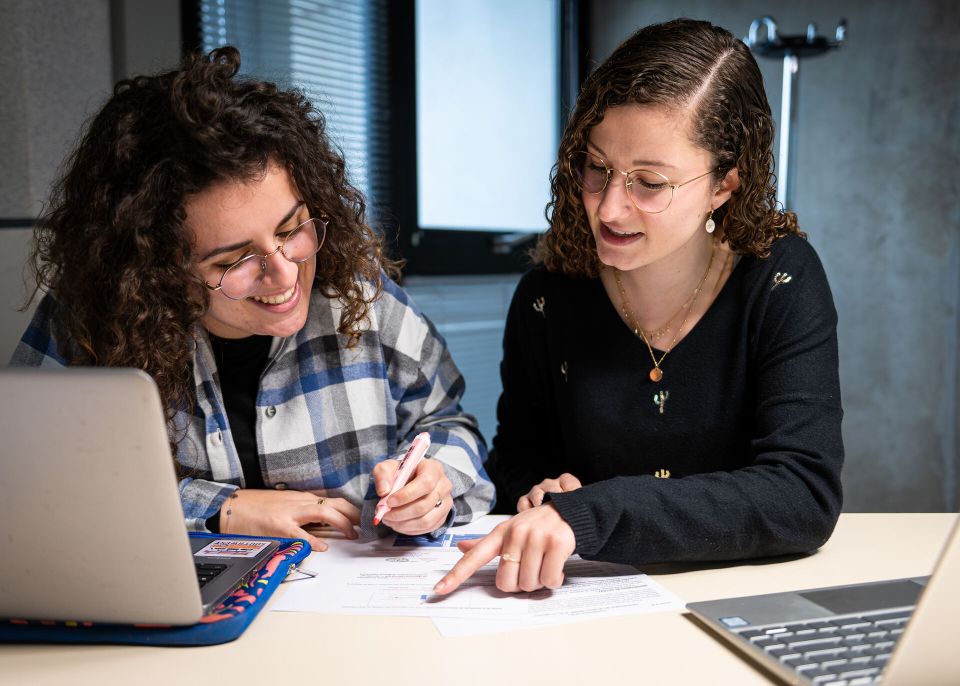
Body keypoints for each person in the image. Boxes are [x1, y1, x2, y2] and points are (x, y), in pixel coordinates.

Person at [11, 47, 494, 551]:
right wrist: (219, 509)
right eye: (233, 261)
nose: (284, 275)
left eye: (291, 229)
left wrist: (434, 483)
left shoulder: (363, 299)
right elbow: (25, 476)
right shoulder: (89, 320)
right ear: (157, 272)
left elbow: (449, 424)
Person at [435, 18, 842, 596]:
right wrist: (535, 491)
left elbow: (802, 494)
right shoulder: (546, 299)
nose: (610, 210)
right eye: (597, 169)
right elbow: (514, 460)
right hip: (579, 598)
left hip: (738, 598)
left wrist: (592, 513)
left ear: (726, 184)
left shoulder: (781, 278)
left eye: (649, 183)